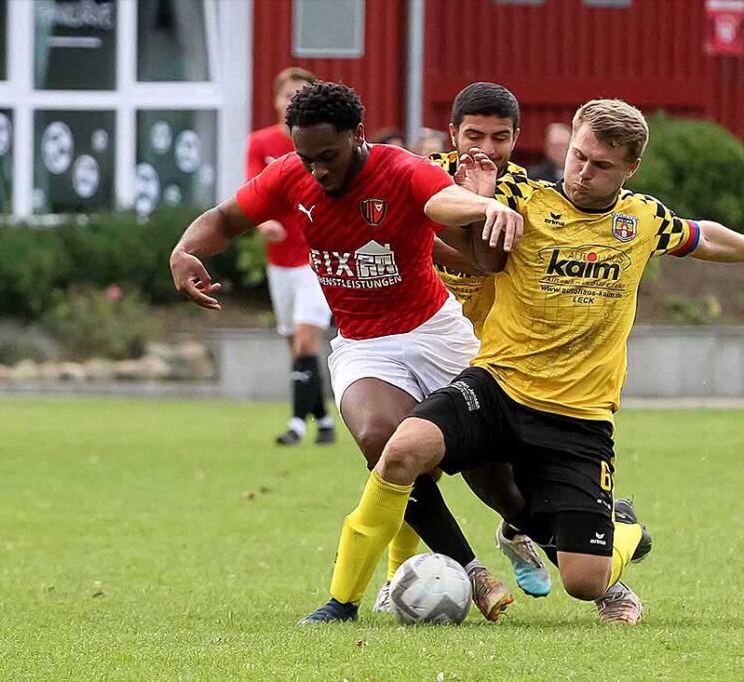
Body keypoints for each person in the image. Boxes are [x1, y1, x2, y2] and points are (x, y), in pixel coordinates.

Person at [301, 98, 744, 625]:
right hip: (497, 386)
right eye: (578, 156)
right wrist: (475, 201)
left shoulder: (641, 220)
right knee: (401, 448)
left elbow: (702, 236)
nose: (583, 172)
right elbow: (438, 209)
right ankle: (341, 604)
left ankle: (624, 528)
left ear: (630, 168)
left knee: (583, 580)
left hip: (579, 417)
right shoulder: (522, 196)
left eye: (601, 165)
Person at [170, 81, 523, 623]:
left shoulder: (399, 168)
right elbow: (224, 219)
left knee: (502, 484)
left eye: (329, 157)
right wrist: (184, 249)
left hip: (438, 334)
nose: (317, 171)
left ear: (358, 135)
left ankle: (592, 533)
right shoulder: (291, 172)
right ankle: (469, 572)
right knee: (381, 439)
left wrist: (480, 202)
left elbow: (440, 199)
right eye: (307, 158)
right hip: (365, 346)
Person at [368, 83, 554, 614]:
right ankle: (397, 581)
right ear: (453, 134)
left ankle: (519, 533)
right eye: (474, 134)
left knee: (504, 474)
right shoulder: (424, 178)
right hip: (421, 340)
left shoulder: (530, 194)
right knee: (405, 459)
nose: (486, 148)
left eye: (500, 137)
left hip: (493, 352)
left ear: (517, 140)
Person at [245, 66, 334, 446]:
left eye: (301, 96)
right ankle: (325, 420)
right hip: (278, 261)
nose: (292, 102)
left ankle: (297, 425)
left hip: (316, 261)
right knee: (295, 348)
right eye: (287, 95)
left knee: (306, 343)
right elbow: (250, 192)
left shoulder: (325, 146)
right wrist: (262, 223)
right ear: (276, 101)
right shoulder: (261, 143)